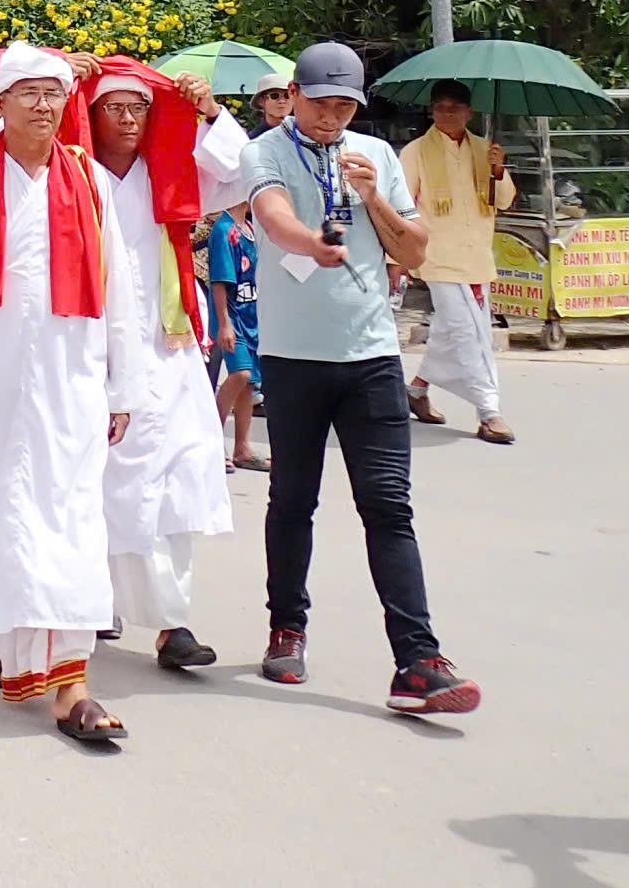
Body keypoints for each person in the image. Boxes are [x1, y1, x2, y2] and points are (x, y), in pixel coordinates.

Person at [0, 42, 142, 744]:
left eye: (54, 94)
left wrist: (122, 383)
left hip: (72, 387)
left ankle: (71, 684)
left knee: (72, 522)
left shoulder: (88, 181)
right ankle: (18, 650)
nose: (45, 105)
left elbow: (118, 290)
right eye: (30, 94)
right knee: (3, 520)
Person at [241, 42, 479, 715]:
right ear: (293, 92)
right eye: (319, 102)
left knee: (388, 505)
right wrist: (310, 243)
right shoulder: (265, 150)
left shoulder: (375, 154)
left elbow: (414, 247)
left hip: (372, 357)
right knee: (294, 497)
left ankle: (418, 658)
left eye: (344, 104)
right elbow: (274, 214)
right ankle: (286, 626)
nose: (330, 116)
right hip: (294, 358)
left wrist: (374, 197)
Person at [84, 58, 244, 674]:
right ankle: (98, 601)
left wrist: (207, 112)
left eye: (139, 108)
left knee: (179, 476)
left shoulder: (169, 172)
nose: (127, 119)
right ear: (89, 116)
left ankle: (173, 624)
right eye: (113, 108)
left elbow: (238, 174)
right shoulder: (68, 175)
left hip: (170, 345)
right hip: (94, 351)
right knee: (103, 483)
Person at [402, 81, 517, 444]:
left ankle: (416, 390)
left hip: (477, 256)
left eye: (454, 108)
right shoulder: (417, 151)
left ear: (469, 112)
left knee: (453, 331)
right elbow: (400, 206)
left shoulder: (486, 150)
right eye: (439, 107)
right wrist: (396, 258)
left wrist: (498, 169)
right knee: (470, 334)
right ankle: (489, 411)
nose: (446, 114)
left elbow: (504, 201)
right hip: (437, 256)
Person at [207, 205, 267, 471]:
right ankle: (210, 440)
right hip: (232, 318)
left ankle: (242, 447)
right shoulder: (223, 230)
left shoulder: (250, 229)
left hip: (252, 316)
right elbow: (219, 280)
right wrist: (224, 324)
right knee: (240, 374)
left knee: (250, 383)